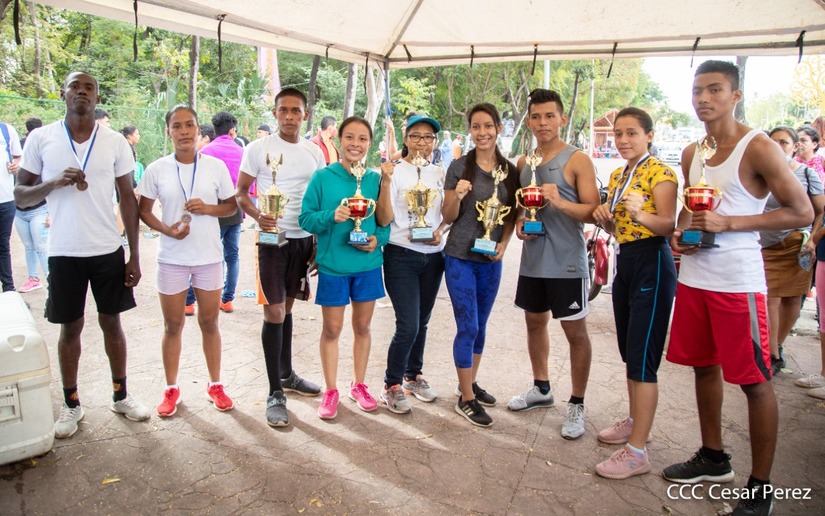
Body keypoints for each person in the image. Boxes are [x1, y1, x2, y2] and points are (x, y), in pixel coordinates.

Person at [664, 61, 812, 516]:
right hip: (695, 279)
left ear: (735, 95)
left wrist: (730, 223)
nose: (703, 99)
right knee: (702, 367)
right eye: (697, 91)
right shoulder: (692, 152)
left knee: (754, 381)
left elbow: (802, 211)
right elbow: (692, 208)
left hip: (737, 283)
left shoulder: (758, 146)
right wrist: (680, 234)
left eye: (714, 89)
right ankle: (713, 457)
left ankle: (760, 489)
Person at [14, 71, 150, 439]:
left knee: (112, 324)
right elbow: (21, 196)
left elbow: (127, 198)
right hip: (63, 251)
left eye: (89, 87)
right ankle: (71, 404)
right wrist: (53, 182)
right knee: (69, 328)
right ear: (63, 93)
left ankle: (120, 395)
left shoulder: (115, 142)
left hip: (106, 248)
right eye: (75, 86)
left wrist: (134, 254)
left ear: (97, 97)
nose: (82, 92)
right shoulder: (41, 139)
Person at [505, 89, 600, 441]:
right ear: (529, 121)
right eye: (536, 117)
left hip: (567, 263)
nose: (542, 123)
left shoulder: (578, 159)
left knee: (575, 333)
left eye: (549, 116)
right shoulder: (523, 163)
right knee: (534, 323)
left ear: (562, 118)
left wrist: (559, 202)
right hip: (533, 260)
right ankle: (541, 388)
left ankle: (577, 402)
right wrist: (520, 223)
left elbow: (593, 211)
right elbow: (521, 207)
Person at [590, 107, 678, 479]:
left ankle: (638, 452)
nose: (623, 140)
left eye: (631, 133)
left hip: (652, 261)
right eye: (618, 134)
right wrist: (606, 219)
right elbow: (620, 223)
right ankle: (635, 421)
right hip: (626, 259)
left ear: (649, 136)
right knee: (630, 350)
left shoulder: (661, 172)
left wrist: (641, 215)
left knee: (643, 357)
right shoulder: (619, 173)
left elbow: (669, 224)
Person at [137, 106, 237, 417]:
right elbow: (144, 211)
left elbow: (231, 207)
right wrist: (167, 230)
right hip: (172, 258)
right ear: (168, 131)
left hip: (208, 258)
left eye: (190, 125)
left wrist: (208, 208)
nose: (184, 131)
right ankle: (171, 388)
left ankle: (215, 384)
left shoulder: (215, 167)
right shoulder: (156, 169)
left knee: (210, 323)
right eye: (177, 126)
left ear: (198, 129)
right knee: (173, 325)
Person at [235, 88, 325, 427]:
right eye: (283, 110)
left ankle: (286, 374)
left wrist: (318, 241)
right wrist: (259, 216)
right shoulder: (257, 149)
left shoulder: (314, 152)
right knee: (272, 311)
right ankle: (275, 392)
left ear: (305, 114)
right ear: (275, 113)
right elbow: (241, 193)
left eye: (295, 110)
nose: (289, 116)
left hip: (303, 239)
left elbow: (320, 199)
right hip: (272, 241)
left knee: (286, 309)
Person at [299, 116, 390, 420]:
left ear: (369, 144)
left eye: (362, 139)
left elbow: (386, 223)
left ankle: (359, 385)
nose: (355, 144)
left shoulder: (376, 180)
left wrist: (377, 240)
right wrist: (331, 216)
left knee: (362, 327)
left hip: (367, 265)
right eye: (350, 137)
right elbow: (305, 219)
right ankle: (330, 390)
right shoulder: (322, 177)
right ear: (339, 140)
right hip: (333, 267)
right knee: (332, 329)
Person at [441, 103, 518, 428]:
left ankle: (469, 383)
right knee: (468, 326)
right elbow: (447, 215)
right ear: (470, 130)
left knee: (481, 326)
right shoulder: (459, 166)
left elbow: (512, 215)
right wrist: (458, 196)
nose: (482, 132)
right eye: (476, 126)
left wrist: (504, 244)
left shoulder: (510, 171)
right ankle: (465, 399)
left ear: (498, 128)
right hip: (460, 257)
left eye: (488, 126)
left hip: (490, 261)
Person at [375, 114, 447, 414]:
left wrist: (440, 232)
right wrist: (386, 180)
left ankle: (412, 376)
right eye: (416, 136)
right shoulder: (394, 171)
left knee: (423, 321)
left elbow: (446, 214)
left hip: (434, 256)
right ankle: (391, 384)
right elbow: (383, 219)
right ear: (405, 138)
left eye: (428, 137)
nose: (422, 142)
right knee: (408, 323)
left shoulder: (439, 173)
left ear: (435, 142)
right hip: (400, 253)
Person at [761, 127, 824, 375]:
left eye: (784, 142)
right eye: (773, 141)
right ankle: (770, 354)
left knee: (792, 299)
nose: (778, 146)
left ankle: (777, 345)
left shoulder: (806, 173)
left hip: (796, 244)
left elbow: (821, 210)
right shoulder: (759, 172)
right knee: (770, 297)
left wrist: (813, 240)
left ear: (795, 146)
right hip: (764, 244)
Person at [0, 119, 22, 292]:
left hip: (6, 198)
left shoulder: (7, 130)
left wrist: (16, 165)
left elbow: (18, 156)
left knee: (3, 244)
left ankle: (8, 288)